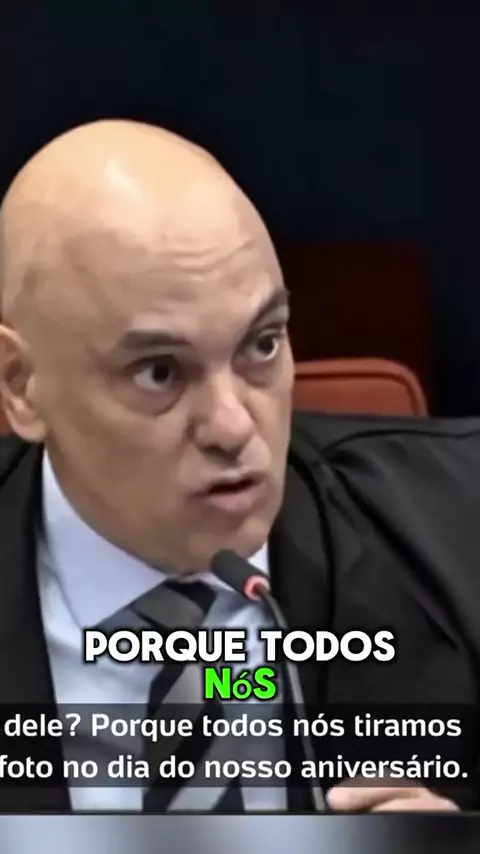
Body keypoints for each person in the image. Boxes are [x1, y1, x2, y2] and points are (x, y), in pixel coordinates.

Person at [0, 119, 479, 815]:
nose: (232, 427)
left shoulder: (461, 519)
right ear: (21, 386)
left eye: (261, 345)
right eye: (159, 372)